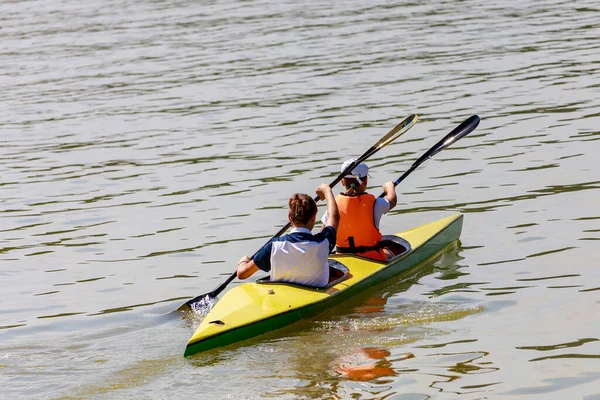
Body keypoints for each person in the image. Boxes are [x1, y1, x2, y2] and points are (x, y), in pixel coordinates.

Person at [236, 183, 340, 287]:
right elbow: (334, 216)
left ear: (289, 218)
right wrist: (327, 191)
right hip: (315, 295)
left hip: (280, 298)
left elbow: (241, 274)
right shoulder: (323, 242)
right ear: (313, 218)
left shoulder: (274, 246)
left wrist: (243, 262)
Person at [322, 159, 397, 260]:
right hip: (372, 260)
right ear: (365, 181)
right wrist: (390, 187)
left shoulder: (333, 207)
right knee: (388, 251)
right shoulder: (376, 204)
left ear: (342, 182)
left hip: (342, 260)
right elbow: (392, 200)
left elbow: (323, 236)